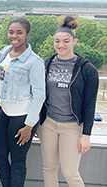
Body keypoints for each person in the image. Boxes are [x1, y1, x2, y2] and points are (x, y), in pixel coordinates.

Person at [38, 16, 98, 187]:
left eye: (66, 41)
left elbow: (90, 104)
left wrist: (86, 135)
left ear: (74, 41)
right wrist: (37, 122)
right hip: (48, 124)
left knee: (70, 171)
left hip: (72, 126)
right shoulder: (47, 64)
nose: (61, 45)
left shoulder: (87, 69)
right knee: (49, 167)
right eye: (57, 41)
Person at [0, 17, 45, 187]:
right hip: (4, 112)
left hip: (22, 116)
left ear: (27, 35)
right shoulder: (5, 52)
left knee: (18, 160)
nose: (14, 36)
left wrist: (29, 126)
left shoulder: (34, 62)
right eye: (11, 32)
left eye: (19, 32)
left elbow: (39, 95)